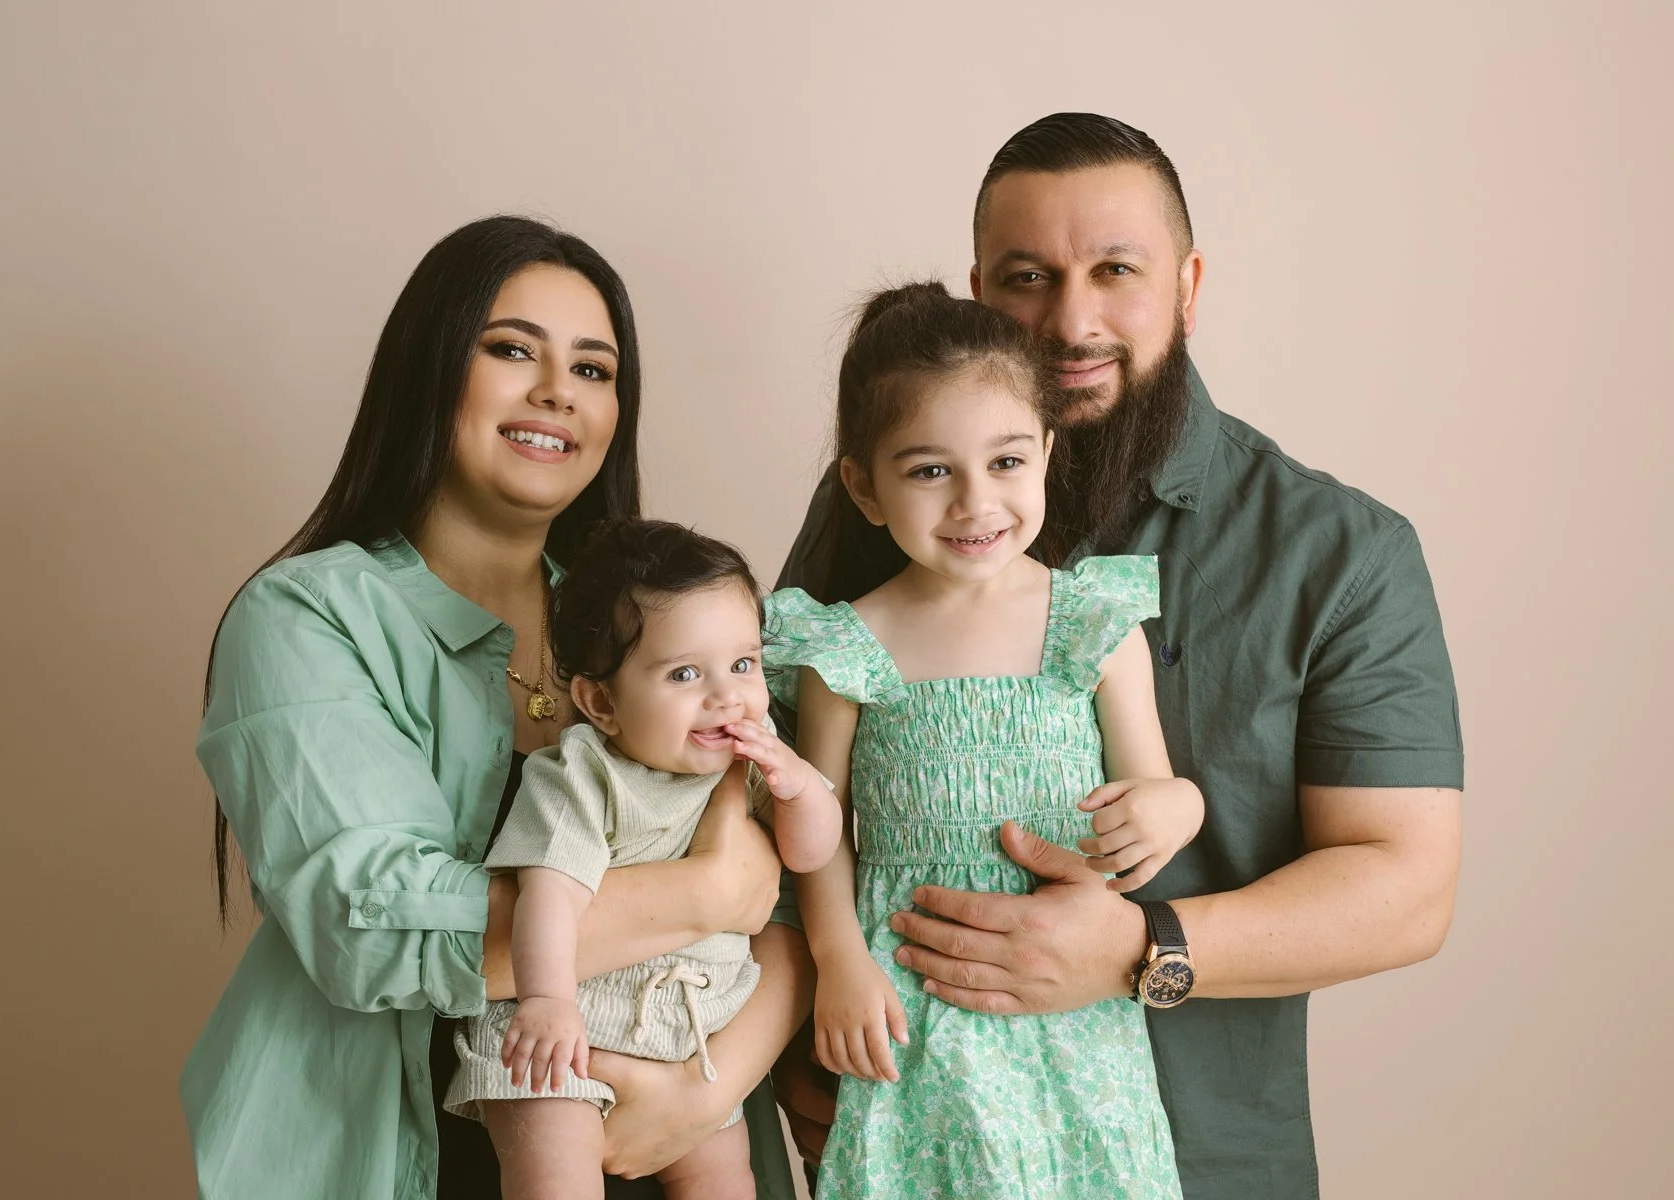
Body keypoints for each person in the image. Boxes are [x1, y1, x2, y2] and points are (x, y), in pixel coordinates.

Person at [774, 115, 1464, 1199]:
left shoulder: (1339, 551)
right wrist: (783, 1043)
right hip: (914, 1122)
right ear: (976, 289)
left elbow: (1406, 888)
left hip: (1207, 1160)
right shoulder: (874, 512)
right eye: (1029, 276)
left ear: (1188, 285)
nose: (1071, 318)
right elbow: (760, 786)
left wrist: (1141, 946)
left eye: (1116, 271)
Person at [184, 216, 809, 1200]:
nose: (559, 391)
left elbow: (808, 910)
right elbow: (373, 927)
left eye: (595, 370)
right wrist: (707, 893)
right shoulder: (307, 614)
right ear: (429, 371)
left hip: (679, 1131)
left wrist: (705, 1092)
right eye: (512, 350)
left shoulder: (670, 632)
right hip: (415, 1155)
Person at [764, 281, 1205, 1197]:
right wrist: (839, 959)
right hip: (911, 994)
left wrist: (1175, 808)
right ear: (865, 487)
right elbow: (816, 830)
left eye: (1006, 461)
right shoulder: (846, 646)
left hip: (1071, 1008)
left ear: (1047, 450)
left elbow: (1157, 788)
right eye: (930, 471)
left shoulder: (1094, 621)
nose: (976, 502)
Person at [444, 519, 839, 1200]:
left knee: (725, 1179)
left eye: (744, 664)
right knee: (553, 1174)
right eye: (685, 673)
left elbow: (811, 856)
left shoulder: (751, 754)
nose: (727, 695)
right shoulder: (580, 775)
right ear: (602, 703)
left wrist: (799, 787)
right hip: (565, 1033)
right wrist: (547, 1002)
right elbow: (550, 894)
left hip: (688, 1035)